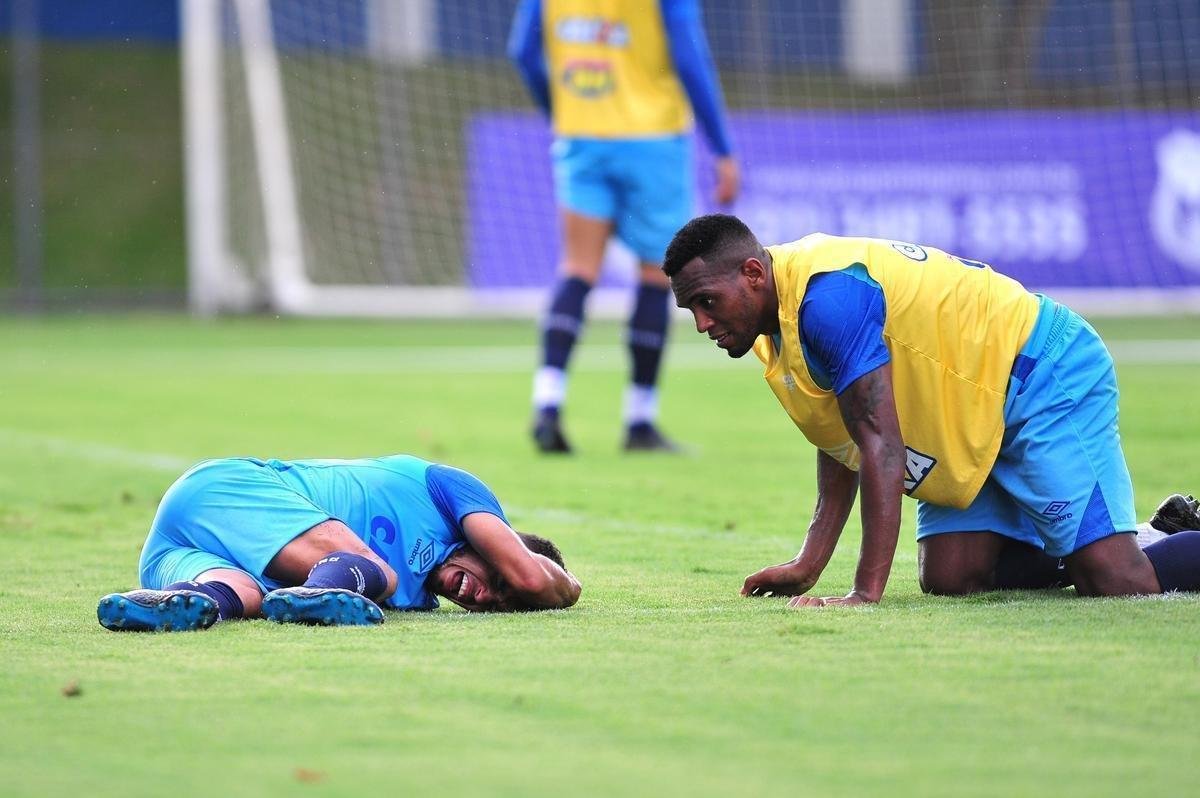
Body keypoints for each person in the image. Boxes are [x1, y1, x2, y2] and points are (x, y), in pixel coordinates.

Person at [662, 213, 1200, 606]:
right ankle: (1146, 535)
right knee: (953, 575)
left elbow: (880, 443)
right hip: (970, 408)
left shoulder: (826, 299)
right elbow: (842, 436)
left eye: (708, 301)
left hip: (1037, 369)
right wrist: (808, 565)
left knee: (1116, 581)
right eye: (691, 309)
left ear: (753, 274)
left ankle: (1118, 548)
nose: (702, 323)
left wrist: (863, 594)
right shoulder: (777, 319)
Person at [508, 0, 739, 453]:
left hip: (582, 134)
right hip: (651, 138)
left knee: (577, 268)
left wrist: (559, 110)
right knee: (656, 272)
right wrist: (722, 146)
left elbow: (522, 50)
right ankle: (639, 420)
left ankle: (548, 404)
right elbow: (689, 57)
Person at [97, 455, 581, 631]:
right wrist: (570, 588)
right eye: (495, 577)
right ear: (498, 541)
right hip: (225, 488)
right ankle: (314, 594)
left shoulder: (420, 602)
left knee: (241, 596)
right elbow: (531, 577)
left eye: (496, 604)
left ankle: (180, 603)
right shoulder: (453, 492)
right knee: (379, 574)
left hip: (174, 553)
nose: (486, 594)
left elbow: (522, 579)